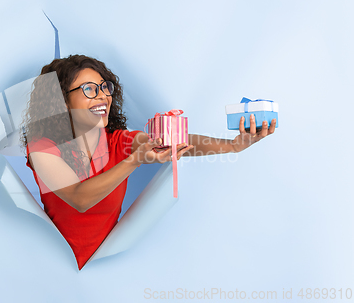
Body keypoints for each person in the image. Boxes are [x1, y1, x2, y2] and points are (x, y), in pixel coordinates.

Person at [21, 55, 276, 269]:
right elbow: (80, 199)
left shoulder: (116, 141)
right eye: (89, 89)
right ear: (62, 101)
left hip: (106, 266)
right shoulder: (43, 148)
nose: (102, 96)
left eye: (104, 87)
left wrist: (233, 145)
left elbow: (173, 142)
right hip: (52, 265)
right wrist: (134, 160)